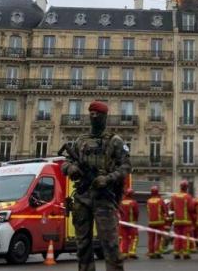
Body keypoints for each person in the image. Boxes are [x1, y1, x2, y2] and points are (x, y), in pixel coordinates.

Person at [61, 101, 131, 271]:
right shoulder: (81, 141)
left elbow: (126, 166)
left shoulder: (115, 141)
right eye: (91, 114)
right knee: (82, 246)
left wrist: (107, 179)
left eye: (97, 114)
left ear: (104, 117)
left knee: (110, 244)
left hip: (104, 199)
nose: (94, 117)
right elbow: (65, 163)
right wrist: (72, 168)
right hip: (82, 197)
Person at [170, 180, 195, 259]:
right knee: (185, 237)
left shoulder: (174, 196)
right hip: (186, 221)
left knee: (177, 237)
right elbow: (191, 208)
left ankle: (176, 252)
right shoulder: (188, 197)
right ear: (187, 188)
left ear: (180, 187)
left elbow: (171, 207)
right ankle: (185, 253)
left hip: (177, 220)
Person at [145, 186, 167, 259]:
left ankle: (151, 252)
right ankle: (157, 251)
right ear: (158, 192)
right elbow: (165, 210)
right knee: (159, 237)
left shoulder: (148, 201)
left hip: (151, 222)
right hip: (160, 222)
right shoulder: (160, 200)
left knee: (151, 238)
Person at [118, 188, 139, 259]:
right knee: (134, 237)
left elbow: (117, 212)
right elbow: (136, 213)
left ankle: (124, 253)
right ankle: (132, 252)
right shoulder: (133, 202)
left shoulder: (121, 202)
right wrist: (135, 220)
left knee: (124, 238)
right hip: (131, 223)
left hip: (122, 223)